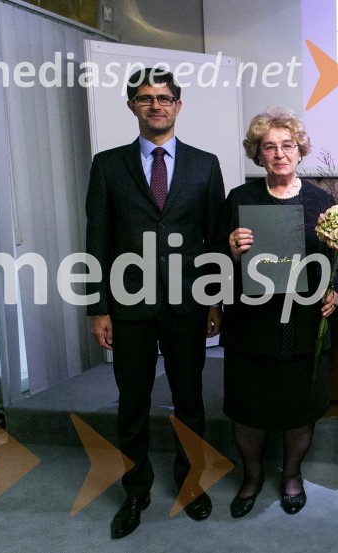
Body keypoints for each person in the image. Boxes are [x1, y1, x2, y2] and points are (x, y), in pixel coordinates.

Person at [86, 68, 225, 539]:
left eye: (164, 98)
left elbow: (214, 242)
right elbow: (96, 241)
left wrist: (214, 302)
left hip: (189, 305)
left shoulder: (205, 165)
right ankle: (135, 490)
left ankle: (191, 483)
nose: (156, 106)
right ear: (132, 106)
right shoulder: (108, 165)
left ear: (178, 105)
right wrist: (98, 308)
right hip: (129, 306)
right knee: (132, 403)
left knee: (190, 402)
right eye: (145, 98)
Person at [219, 107, 338, 518]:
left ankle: (291, 475)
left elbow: (335, 259)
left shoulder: (321, 201)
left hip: (303, 322)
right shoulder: (240, 199)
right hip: (251, 321)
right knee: (248, 406)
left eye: (287, 145)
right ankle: (251, 477)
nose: (279, 154)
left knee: (299, 406)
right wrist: (231, 252)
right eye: (269, 147)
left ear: (300, 150)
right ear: (258, 154)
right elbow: (214, 263)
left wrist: (335, 291)